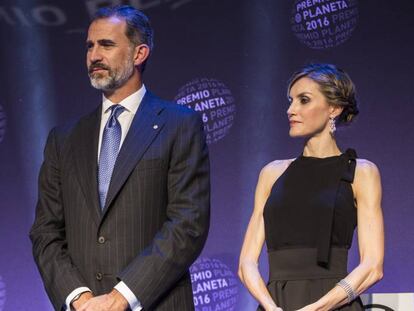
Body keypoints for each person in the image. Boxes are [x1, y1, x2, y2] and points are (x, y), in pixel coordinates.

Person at [30, 5, 210, 311]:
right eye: (89, 46)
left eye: (107, 45)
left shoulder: (179, 124)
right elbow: (46, 231)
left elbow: (187, 223)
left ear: (139, 54)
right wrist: (78, 297)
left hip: (155, 303)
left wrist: (122, 296)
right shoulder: (64, 139)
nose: (94, 56)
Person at [239, 63, 384, 311]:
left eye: (303, 100)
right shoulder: (272, 173)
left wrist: (318, 308)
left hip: (334, 305)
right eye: (290, 100)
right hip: (277, 304)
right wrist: (270, 307)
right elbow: (246, 264)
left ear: (334, 108)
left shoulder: (361, 172)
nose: (291, 110)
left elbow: (372, 266)